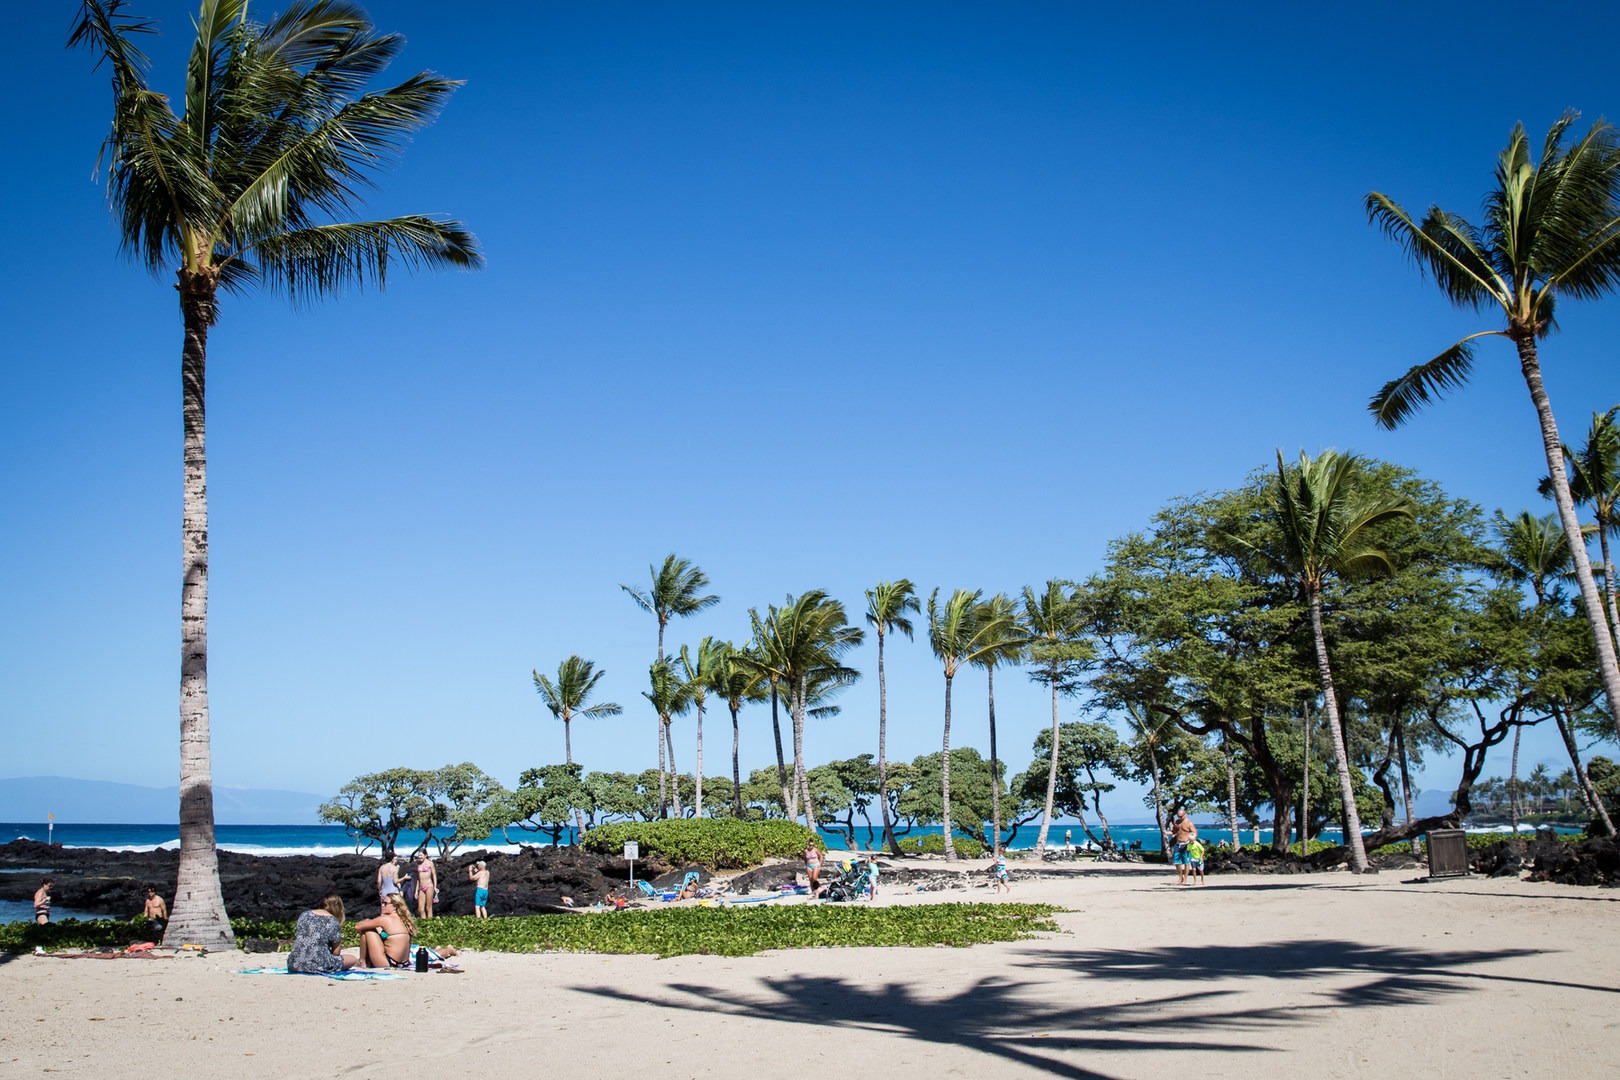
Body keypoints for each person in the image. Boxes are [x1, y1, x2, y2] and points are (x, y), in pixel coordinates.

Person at [286, 894, 358, 974]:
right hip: (318, 964)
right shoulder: (333, 921)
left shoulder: (304, 915)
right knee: (352, 959)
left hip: (293, 963)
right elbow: (336, 953)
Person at [355, 895, 416, 968]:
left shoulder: (385, 919)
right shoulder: (405, 920)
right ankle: (365, 962)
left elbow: (357, 926)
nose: (382, 905)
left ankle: (362, 961)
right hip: (404, 963)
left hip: (388, 962)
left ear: (395, 906)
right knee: (371, 927)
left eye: (386, 903)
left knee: (367, 929)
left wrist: (368, 922)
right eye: (382, 903)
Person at [1169, 808, 1198, 885]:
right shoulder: (1177, 822)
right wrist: (1167, 832)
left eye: (1181, 816)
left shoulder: (1189, 823)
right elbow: (1174, 831)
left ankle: (1185, 879)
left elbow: (1194, 833)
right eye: (1178, 816)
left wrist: (1191, 841)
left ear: (1184, 814)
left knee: (1186, 862)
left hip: (1186, 844)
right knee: (1177, 862)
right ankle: (1180, 878)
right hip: (1178, 844)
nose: (1179, 818)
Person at [414, 852, 438, 919]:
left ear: (425, 855)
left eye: (421, 855)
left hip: (429, 886)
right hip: (421, 888)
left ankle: (430, 924)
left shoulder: (430, 863)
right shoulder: (419, 864)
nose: (419, 857)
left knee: (428, 907)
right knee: (420, 909)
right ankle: (424, 923)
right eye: (419, 855)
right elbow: (418, 879)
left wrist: (435, 886)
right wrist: (416, 891)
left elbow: (434, 875)